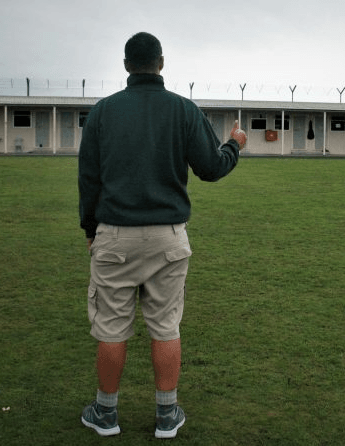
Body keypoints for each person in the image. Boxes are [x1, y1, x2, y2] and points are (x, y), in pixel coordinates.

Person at [77, 32, 246, 438]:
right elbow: (211, 167)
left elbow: (88, 178)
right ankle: (167, 416)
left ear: (125, 65)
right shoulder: (183, 110)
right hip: (168, 236)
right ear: (162, 63)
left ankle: (106, 414)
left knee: (111, 328)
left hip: (115, 234)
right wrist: (235, 145)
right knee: (166, 326)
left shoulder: (102, 112)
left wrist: (90, 229)